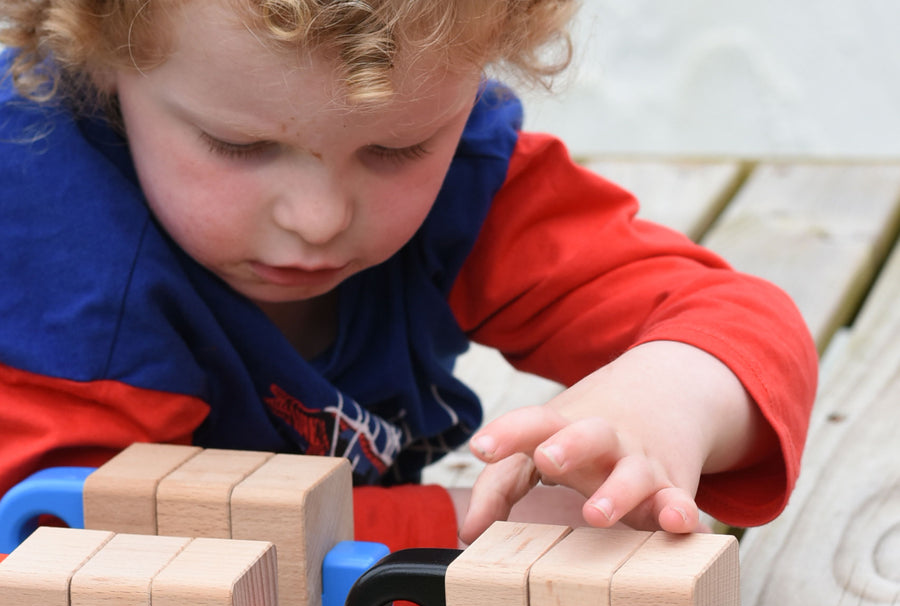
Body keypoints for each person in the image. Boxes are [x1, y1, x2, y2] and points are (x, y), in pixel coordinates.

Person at [0, 0, 816, 550]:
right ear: (101, 58)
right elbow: (81, 535)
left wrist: (667, 396)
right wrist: (459, 527)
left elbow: (743, 323)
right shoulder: (57, 243)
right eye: (240, 146)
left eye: (394, 150)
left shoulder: (468, 184)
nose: (317, 218)